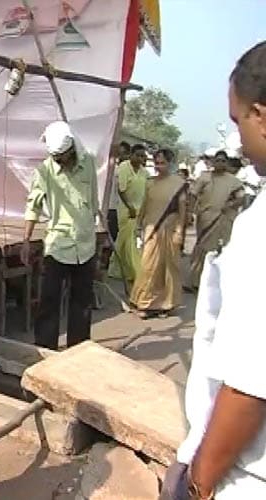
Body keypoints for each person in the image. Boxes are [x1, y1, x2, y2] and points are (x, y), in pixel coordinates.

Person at [160, 40, 266, 500]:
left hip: (246, 473)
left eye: (238, 120)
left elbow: (250, 386)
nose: (240, 137)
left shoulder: (260, 229)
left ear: (261, 115)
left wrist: (199, 483)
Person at [21, 121, 98, 350]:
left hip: (85, 245)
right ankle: (45, 351)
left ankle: (79, 351)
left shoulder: (88, 163)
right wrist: (26, 240)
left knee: (82, 303)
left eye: (63, 157)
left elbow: (93, 199)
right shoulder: (44, 171)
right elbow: (33, 205)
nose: (60, 161)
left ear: (72, 149)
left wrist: (90, 225)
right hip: (58, 245)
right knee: (49, 302)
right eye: (56, 157)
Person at [130, 148, 187, 319]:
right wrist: (139, 225)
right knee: (148, 267)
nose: (159, 166)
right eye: (157, 163)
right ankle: (145, 302)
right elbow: (144, 206)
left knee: (168, 269)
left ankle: (165, 305)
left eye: (163, 163)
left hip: (169, 231)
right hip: (151, 230)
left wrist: (179, 232)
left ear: (170, 163)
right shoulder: (150, 183)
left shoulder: (178, 184)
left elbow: (183, 210)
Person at [187, 150, 244, 292]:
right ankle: (196, 281)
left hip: (222, 219)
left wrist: (230, 205)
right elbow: (193, 194)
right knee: (202, 248)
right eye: (217, 160)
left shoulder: (233, 181)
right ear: (213, 162)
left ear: (227, 163)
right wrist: (189, 212)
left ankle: (213, 283)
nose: (220, 163)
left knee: (219, 250)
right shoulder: (204, 177)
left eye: (223, 161)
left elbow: (241, 198)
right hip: (205, 218)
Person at [108, 144, 149, 287]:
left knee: (123, 241)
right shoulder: (124, 167)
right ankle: (136, 271)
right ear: (131, 155)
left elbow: (147, 190)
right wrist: (130, 207)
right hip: (126, 209)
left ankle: (116, 269)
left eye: (142, 156)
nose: (140, 158)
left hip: (139, 208)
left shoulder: (144, 172)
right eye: (137, 155)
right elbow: (121, 189)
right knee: (129, 241)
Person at [106, 141, 131, 241]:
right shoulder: (111, 169)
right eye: (118, 154)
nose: (120, 157)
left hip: (121, 210)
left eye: (123, 153)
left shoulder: (129, 171)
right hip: (111, 209)